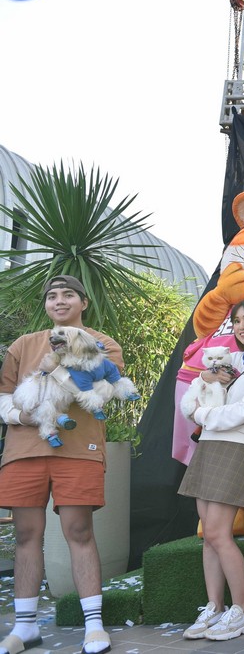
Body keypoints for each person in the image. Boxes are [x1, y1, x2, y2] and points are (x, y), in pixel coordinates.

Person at [0, 275, 119, 654]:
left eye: (68, 294)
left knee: (79, 530)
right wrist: (24, 418)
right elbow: (4, 394)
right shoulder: (24, 345)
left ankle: (95, 627)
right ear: (47, 305)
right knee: (25, 535)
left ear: (83, 302)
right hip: (23, 449)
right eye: (52, 296)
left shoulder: (104, 344)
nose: (59, 300)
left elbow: (103, 392)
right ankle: (25, 627)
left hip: (78, 451)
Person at [178, 298, 244, 641]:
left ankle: (243, 611)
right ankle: (215, 606)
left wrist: (203, 415)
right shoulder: (235, 360)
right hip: (210, 444)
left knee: (219, 533)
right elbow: (199, 388)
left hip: (238, 445)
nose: (242, 326)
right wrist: (205, 379)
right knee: (208, 535)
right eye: (237, 320)